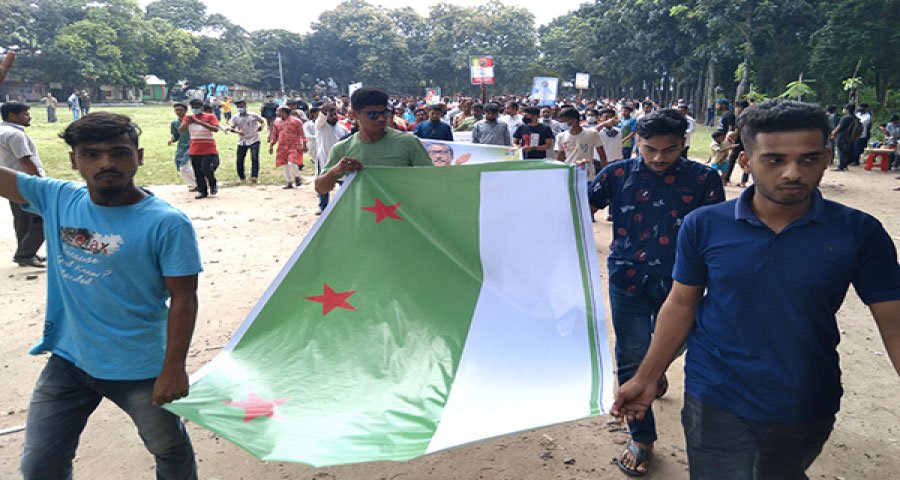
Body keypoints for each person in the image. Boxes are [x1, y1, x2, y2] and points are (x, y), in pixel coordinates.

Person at [611, 99, 900, 479]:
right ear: (746, 160)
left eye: (809, 159)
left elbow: (894, 319)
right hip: (714, 393)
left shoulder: (859, 232)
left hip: (806, 397)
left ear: (828, 156)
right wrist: (648, 377)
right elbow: (681, 303)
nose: (793, 173)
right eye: (775, 160)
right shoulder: (705, 226)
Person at [1, 112, 202, 480]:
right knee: (40, 466)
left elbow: (184, 298)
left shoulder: (167, 223)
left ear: (138, 157)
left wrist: (173, 369)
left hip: (140, 368)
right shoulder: (57, 198)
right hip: (68, 361)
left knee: (168, 449)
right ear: (74, 161)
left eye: (119, 153)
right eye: (91, 154)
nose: (106, 163)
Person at [589, 108, 725, 476]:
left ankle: (656, 366)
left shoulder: (705, 179)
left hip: (684, 284)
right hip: (627, 280)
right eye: (650, 149)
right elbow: (580, 207)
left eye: (670, 149)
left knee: (675, 341)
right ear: (637, 144)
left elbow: (718, 233)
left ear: (684, 143)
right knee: (631, 354)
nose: (660, 157)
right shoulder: (615, 174)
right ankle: (642, 438)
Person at [315, 87, 432, 195]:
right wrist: (335, 171)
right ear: (355, 115)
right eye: (373, 114)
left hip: (402, 213)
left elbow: (431, 180)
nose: (381, 119)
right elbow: (320, 188)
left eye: (384, 113)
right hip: (361, 215)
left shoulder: (409, 143)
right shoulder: (342, 148)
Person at [0, 101, 46, 268]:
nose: (29, 117)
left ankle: (26, 252)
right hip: (26, 182)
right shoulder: (16, 135)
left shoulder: (2, 131)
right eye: (25, 114)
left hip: (8, 180)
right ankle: (25, 254)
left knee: (21, 219)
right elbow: (25, 160)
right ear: (12, 116)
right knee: (42, 219)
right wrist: (40, 181)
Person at [313, 103, 349, 214]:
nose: (334, 117)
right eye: (331, 115)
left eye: (335, 114)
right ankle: (323, 207)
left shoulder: (342, 128)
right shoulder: (321, 126)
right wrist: (324, 112)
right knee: (324, 183)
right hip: (324, 159)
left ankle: (345, 205)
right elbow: (321, 119)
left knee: (344, 183)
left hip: (340, 160)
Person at [180, 99, 220, 199]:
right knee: (197, 171)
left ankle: (213, 183)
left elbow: (215, 129)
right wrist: (187, 123)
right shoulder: (188, 117)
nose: (195, 109)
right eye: (193, 107)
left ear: (202, 107)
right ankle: (202, 191)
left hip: (208, 147)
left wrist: (199, 122)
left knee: (206, 168)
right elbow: (181, 130)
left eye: (197, 107)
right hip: (195, 148)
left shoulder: (210, 116)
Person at [555, 106, 605, 179]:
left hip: (588, 175)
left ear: (574, 121)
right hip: (570, 174)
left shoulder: (592, 133)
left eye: (564, 122)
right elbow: (560, 158)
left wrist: (604, 172)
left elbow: (602, 154)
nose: (562, 124)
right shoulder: (561, 136)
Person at [228, 99, 266, 184]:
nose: (240, 108)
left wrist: (261, 127)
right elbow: (231, 128)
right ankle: (242, 177)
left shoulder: (253, 115)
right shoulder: (235, 117)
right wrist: (238, 132)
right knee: (239, 160)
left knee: (254, 157)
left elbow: (262, 121)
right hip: (242, 141)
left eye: (241, 106)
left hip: (254, 139)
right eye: (238, 107)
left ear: (245, 106)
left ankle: (254, 176)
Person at [269, 106, 306, 189]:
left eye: (278, 111)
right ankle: (289, 182)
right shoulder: (277, 122)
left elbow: (302, 133)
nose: (277, 113)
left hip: (294, 145)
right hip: (282, 146)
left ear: (284, 112)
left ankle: (297, 177)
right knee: (285, 165)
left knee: (292, 162)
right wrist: (271, 145)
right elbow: (275, 135)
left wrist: (304, 143)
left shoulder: (296, 121)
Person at [167, 103, 197, 192]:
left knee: (184, 166)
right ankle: (195, 183)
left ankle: (195, 184)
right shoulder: (174, 123)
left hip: (193, 145)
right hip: (181, 146)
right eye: (176, 110)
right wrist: (171, 140)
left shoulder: (191, 120)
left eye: (181, 110)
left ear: (185, 111)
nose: (179, 112)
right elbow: (176, 135)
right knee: (179, 164)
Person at [830, 103, 861, 172]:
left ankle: (841, 166)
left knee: (840, 151)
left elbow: (839, 127)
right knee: (845, 151)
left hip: (841, 136)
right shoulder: (854, 118)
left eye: (844, 109)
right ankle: (844, 165)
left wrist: (833, 133)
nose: (843, 110)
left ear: (847, 110)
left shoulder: (845, 118)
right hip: (849, 136)